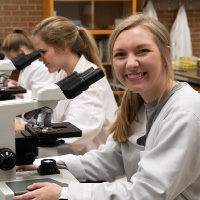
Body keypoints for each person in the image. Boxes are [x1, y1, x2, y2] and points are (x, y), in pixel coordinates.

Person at [14, 13, 200, 200]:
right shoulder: (137, 104)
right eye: (120, 54)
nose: (131, 63)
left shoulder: (184, 112)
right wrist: (45, 165)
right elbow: (108, 159)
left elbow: (149, 192)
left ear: (166, 53)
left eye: (142, 51)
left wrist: (65, 193)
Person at [25, 16, 117, 156]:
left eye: (43, 52)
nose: (39, 58)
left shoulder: (90, 82)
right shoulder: (63, 74)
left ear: (63, 48)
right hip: (74, 161)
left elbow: (74, 136)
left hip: (95, 170)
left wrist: (25, 132)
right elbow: (51, 113)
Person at [2, 28, 57, 99]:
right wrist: (16, 85)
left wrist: (12, 89)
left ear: (21, 51)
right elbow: (30, 87)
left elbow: (43, 97)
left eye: (12, 59)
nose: (12, 64)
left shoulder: (42, 67)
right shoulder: (26, 66)